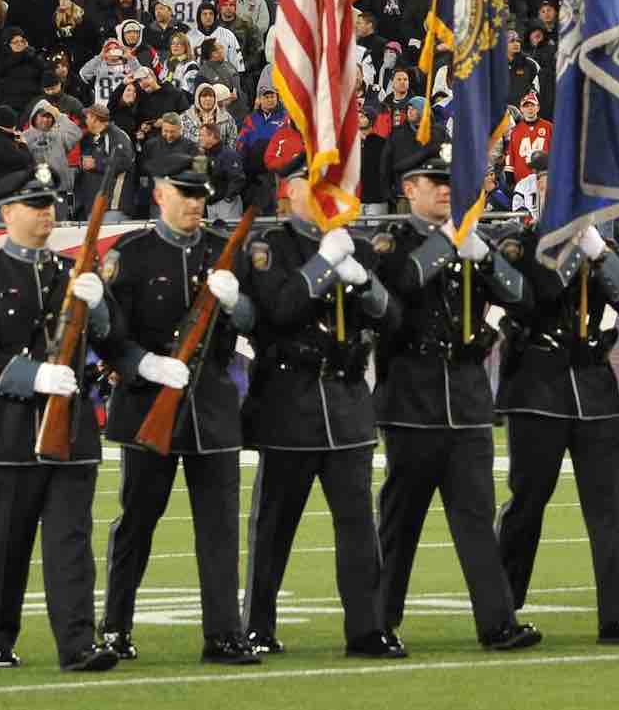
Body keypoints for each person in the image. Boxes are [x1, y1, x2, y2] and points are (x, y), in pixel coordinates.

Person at [239, 130, 404, 659]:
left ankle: (366, 627)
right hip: (290, 401)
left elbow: (392, 319)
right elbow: (280, 310)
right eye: (312, 182)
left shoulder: (352, 243)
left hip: (347, 400)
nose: (324, 191)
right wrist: (323, 265)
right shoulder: (270, 248)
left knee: (358, 526)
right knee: (274, 527)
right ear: (288, 192)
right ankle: (258, 626)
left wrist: (365, 285)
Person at [0, 163, 119, 672]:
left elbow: (112, 340)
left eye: (49, 205)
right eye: (35, 205)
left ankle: (78, 643)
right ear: (7, 213)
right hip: (9, 427)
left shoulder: (71, 273)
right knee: (7, 541)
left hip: (70, 428)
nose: (47, 214)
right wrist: (34, 377)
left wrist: (101, 307)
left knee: (71, 542)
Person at [373, 143, 541, 651]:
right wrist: (445, 244)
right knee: (401, 522)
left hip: (465, 397)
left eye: (450, 181)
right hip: (413, 400)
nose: (446, 189)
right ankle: (378, 621)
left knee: (475, 517)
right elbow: (399, 285)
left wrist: (485, 258)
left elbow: (522, 298)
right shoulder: (392, 244)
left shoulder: (473, 241)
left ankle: (497, 621)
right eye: (433, 181)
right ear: (409, 190)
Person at [98, 155, 259, 665]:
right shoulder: (133, 254)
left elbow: (255, 321)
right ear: (160, 194)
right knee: (138, 523)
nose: (195, 203)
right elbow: (109, 335)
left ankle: (224, 633)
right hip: (150, 405)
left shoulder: (222, 251)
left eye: (200, 194)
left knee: (219, 528)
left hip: (209, 404)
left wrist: (236, 304)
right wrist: (145, 365)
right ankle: (116, 627)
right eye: (185, 193)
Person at [495, 186, 619, 645]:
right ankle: (501, 607)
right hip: (537, 390)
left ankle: (618, 613)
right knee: (528, 504)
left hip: (592, 390)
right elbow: (538, 296)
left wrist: (600, 255)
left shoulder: (602, 249)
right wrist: (572, 251)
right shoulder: (521, 244)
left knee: (607, 509)